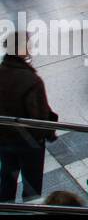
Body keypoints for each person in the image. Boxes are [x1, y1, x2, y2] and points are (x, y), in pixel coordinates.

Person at [0, 36, 58, 203]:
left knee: (7, 178)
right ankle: (30, 209)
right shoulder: (31, 80)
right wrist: (48, 134)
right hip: (29, 143)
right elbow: (39, 115)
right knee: (31, 185)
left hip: (4, 139)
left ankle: (5, 207)